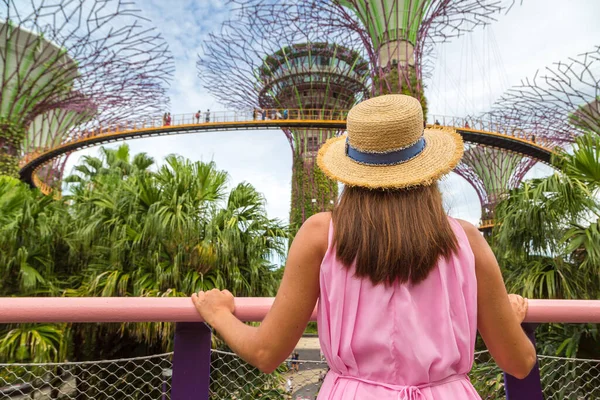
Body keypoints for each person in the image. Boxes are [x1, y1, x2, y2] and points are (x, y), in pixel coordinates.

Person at [192, 94, 536, 399]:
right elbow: (519, 363)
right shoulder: (467, 240)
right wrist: (508, 319)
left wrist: (218, 313)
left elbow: (266, 352)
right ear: (428, 165)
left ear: (351, 169)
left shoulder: (320, 234)